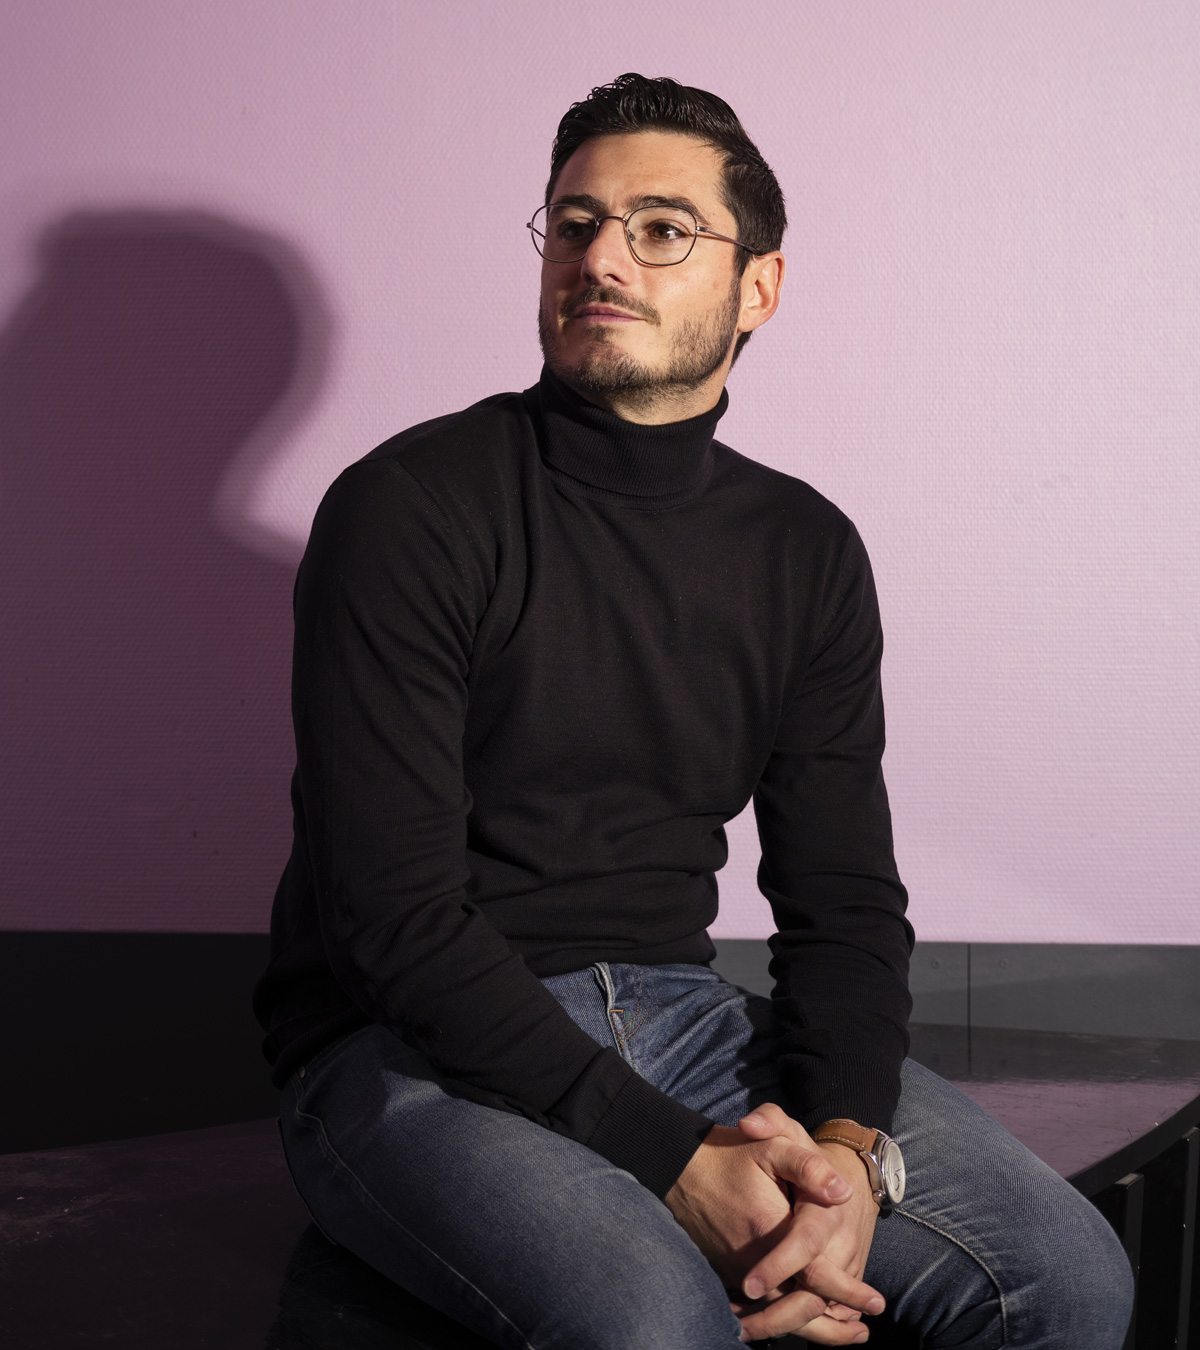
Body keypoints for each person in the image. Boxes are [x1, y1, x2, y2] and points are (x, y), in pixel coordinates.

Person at [253, 74, 1133, 1348]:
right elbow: (394, 922)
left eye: (662, 228)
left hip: (681, 1013)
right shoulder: (411, 508)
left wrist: (844, 1157)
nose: (602, 258)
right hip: (398, 1050)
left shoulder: (804, 549)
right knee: (653, 1322)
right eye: (575, 224)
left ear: (758, 286)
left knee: (1067, 1278)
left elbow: (843, 899)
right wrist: (679, 1163)